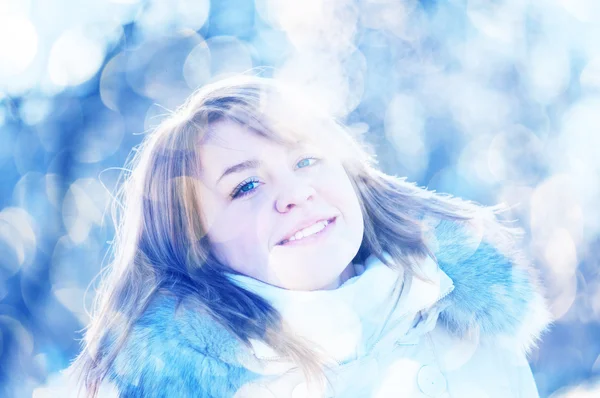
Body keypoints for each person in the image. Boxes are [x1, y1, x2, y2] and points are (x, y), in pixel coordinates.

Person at [69, 75, 551, 397]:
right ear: (195, 245)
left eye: (305, 160)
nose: (295, 193)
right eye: (247, 185)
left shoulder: (463, 317)